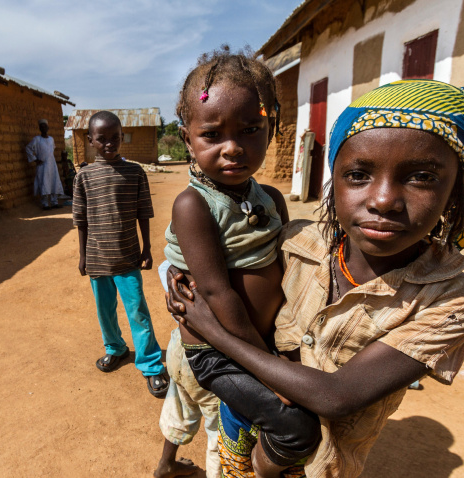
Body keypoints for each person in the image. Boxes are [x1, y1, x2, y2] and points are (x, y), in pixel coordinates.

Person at [167, 79, 464, 477]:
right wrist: (178, 283)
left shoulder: (453, 301)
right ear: (335, 180)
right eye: (358, 175)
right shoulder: (299, 241)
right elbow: (214, 277)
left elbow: (336, 397)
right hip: (240, 424)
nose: (383, 200)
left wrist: (216, 333)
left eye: (421, 177)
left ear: (456, 193)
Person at [160, 47, 320, 478]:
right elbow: (215, 292)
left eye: (251, 129)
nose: (233, 148)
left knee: (262, 420)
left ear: (272, 128)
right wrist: (268, 366)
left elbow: (289, 272)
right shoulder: (194, 205)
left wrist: (282, 348)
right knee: (291, 425)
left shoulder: (270, 199)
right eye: (212, 135)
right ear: (187, 137)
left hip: (265, 343)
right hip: (220, 352)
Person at [72, 111, 169, 398]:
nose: (109, 144)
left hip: (127, 256)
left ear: (122, 136)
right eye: (102, 139)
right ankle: (115, 348)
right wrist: (82, 256)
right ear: (91, 141)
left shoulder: (134, 172)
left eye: (115, 138)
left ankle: (151, 365)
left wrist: (147, 248)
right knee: (105, 310)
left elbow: (143, 212)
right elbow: (81, 219)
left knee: (137, 310)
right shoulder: (84, 177)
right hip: (97, 257)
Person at [153, 262, 221, 478]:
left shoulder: (176, 259)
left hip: (179, 348)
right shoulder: (223, 264)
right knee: (218, 435)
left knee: (180, 408)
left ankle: (166, 464)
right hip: (211, 362)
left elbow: (164, 268)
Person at [26, 119, 64, 210]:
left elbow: (52, 150)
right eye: (41, 127)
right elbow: (28, 148)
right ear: (39, 128)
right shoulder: (37, 139)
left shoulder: (51, 139)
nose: (43, 128)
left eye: (45, 126)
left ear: (48, 128)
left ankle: (54, 202)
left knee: (53, 182)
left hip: (52, 165)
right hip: (42, 166)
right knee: (44, 183)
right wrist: (35, 159)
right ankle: (45, 204)